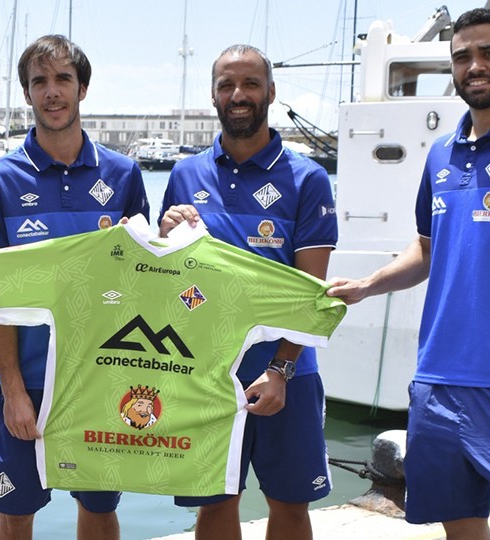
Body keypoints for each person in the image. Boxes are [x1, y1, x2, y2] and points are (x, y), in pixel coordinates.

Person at [326, 9, 490, 540]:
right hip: (438, 383)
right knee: (458, 526)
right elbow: (426, 251)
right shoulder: (441, 154)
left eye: (489, 53)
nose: (475, 65)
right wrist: (368, 285)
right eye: (463, 56)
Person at [0, 34, 149, 540]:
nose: (52, 92)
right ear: (28, 93)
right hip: (24, 378)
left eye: (63, 80)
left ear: (83, 88)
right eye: (39, 82)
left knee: (97, 510)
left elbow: (141, 279)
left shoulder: (124, 175)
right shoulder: (1, 179)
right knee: (14, 513)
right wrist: (11, 390)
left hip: (101, 377)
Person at [159, 44, 338, 540]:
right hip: (205, 376)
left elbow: (313, 294)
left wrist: (280, 368)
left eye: (250, 84)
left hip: (288, 374)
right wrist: (166, 229)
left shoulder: (308, 178)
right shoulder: (185, 174)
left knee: (289, 506)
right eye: (226, 85)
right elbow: (171, 280)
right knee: (214, 508)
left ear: (271, 93)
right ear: (214, 96)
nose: (238, 95)